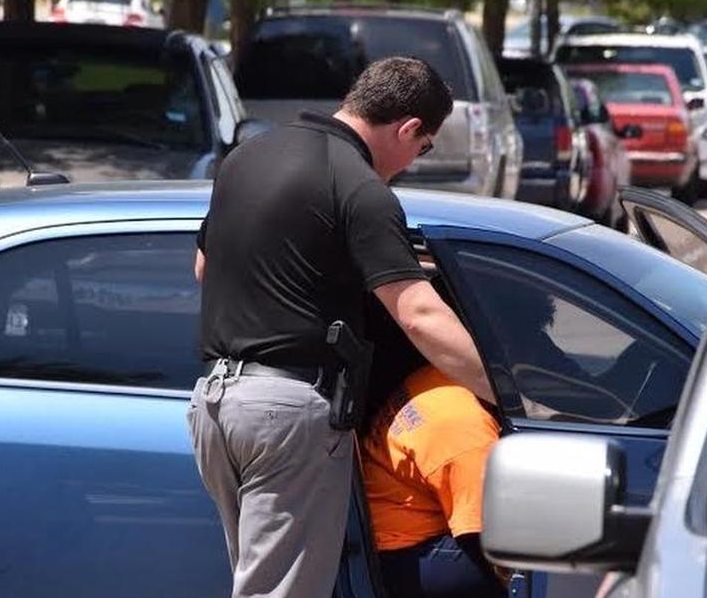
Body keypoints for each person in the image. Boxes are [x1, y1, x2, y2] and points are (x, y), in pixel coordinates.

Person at [189, 57, 492, 598]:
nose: (412, 162)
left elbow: (203, 268)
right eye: (422, 149)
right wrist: (507, 392)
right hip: (287, 412)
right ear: (408, 129)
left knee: (258, 581)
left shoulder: (246, 158)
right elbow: (419, 314)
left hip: (214, 404)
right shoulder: (360, 186)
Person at [361, 363, 507, 598]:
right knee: (529, 570)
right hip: (399, 552)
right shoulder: (469, 435)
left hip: (371, 527)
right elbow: (483, 538)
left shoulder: (443, 372)